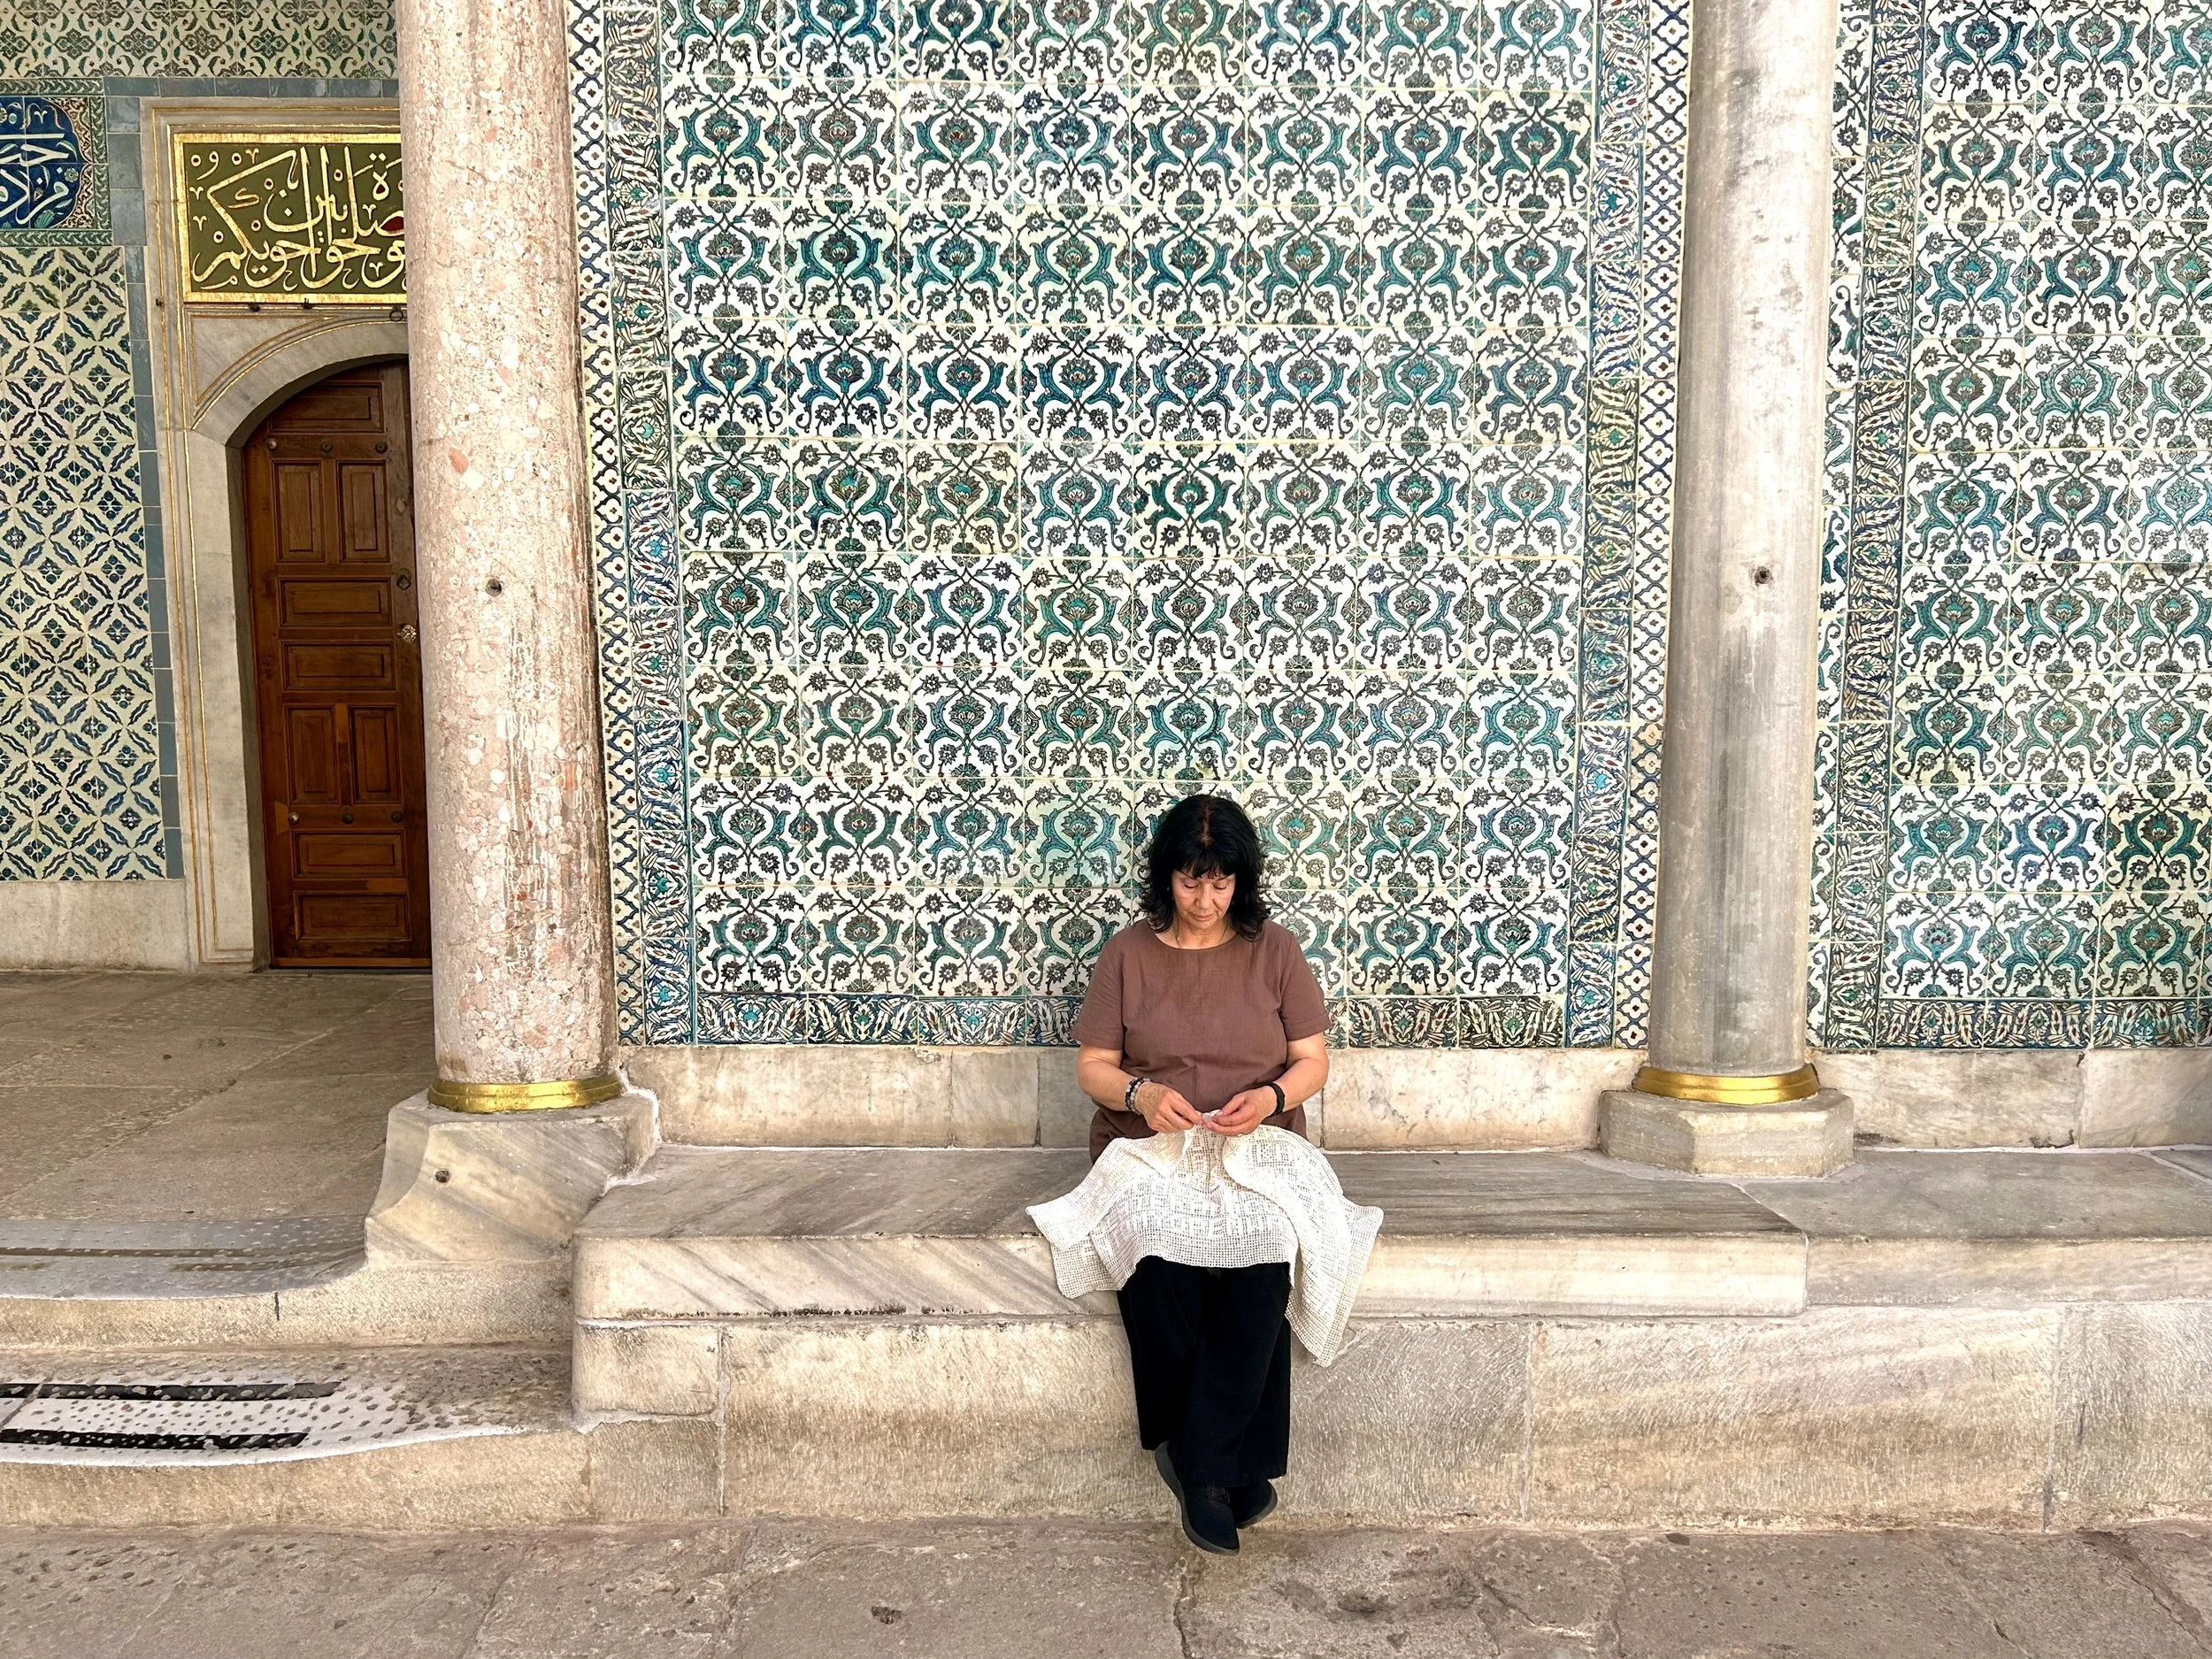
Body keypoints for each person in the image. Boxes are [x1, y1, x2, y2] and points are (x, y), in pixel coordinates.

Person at [1070, 793, 1330, 1554]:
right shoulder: (1128, 954)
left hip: (1254, 1146)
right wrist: (1141, 1095)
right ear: (1166, 876)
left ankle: (1194, 1462)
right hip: (1148, 1146)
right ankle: (1230, 1474)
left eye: (1221, 883)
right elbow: (1093, 1066)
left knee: (1265, 1257)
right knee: (1155, 1259)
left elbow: (1312, 1060)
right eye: (1191, 881)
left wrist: (1273, 1097)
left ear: (1241, 881)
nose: (1206, 900)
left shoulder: (1275, 950)